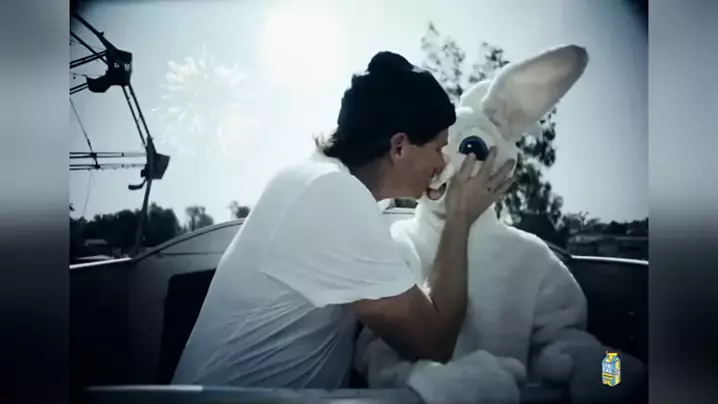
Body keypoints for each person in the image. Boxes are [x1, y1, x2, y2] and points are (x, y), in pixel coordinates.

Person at [171, 51, 517, 389]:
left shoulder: (316, 179)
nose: (443, 164)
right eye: (438, 149)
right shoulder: (333, 195)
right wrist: (459, 216)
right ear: (399, 146)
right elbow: (433, 343)